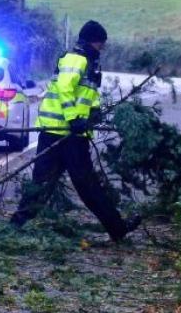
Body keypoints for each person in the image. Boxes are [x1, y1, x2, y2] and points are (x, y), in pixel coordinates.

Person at [10, 20, 139, 241]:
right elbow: (64, 89)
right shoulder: (76, 59)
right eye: (100, 44)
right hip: (64, 133)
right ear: (91, 41)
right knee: (81, 185)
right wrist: (73, 119)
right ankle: (117, 229)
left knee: (48, 184)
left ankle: (15, 227)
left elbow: (87, 93)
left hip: (66, 134)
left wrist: (94, 111)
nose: (102, 48)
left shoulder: (89, 62)